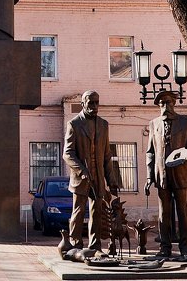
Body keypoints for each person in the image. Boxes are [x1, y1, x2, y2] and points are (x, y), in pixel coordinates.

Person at [145, 90, 187, 259]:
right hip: (161, 176)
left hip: (180, 175)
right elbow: (150, 152)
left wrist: (184, 157)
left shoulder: (185, 123)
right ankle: (165, 248)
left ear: (174, 103)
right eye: (161, 104)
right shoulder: (153, 124)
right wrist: (149, 177)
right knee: (164, 213)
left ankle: (185, 249)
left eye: (168, 102)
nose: (165, 106)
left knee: (183, 212)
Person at [63, 90, 116, 254]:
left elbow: (107, 155)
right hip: (81, 177)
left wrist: (111, 180)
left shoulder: (103, 124)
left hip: (99, 177)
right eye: (90, 103)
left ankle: (95, 245)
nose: (94, 106)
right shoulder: (74, 124)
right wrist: (82, 170)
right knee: (78, 211)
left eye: (96, 102)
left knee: (97, 211)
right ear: (83, 104)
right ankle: (75, 244)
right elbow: (67, 153)